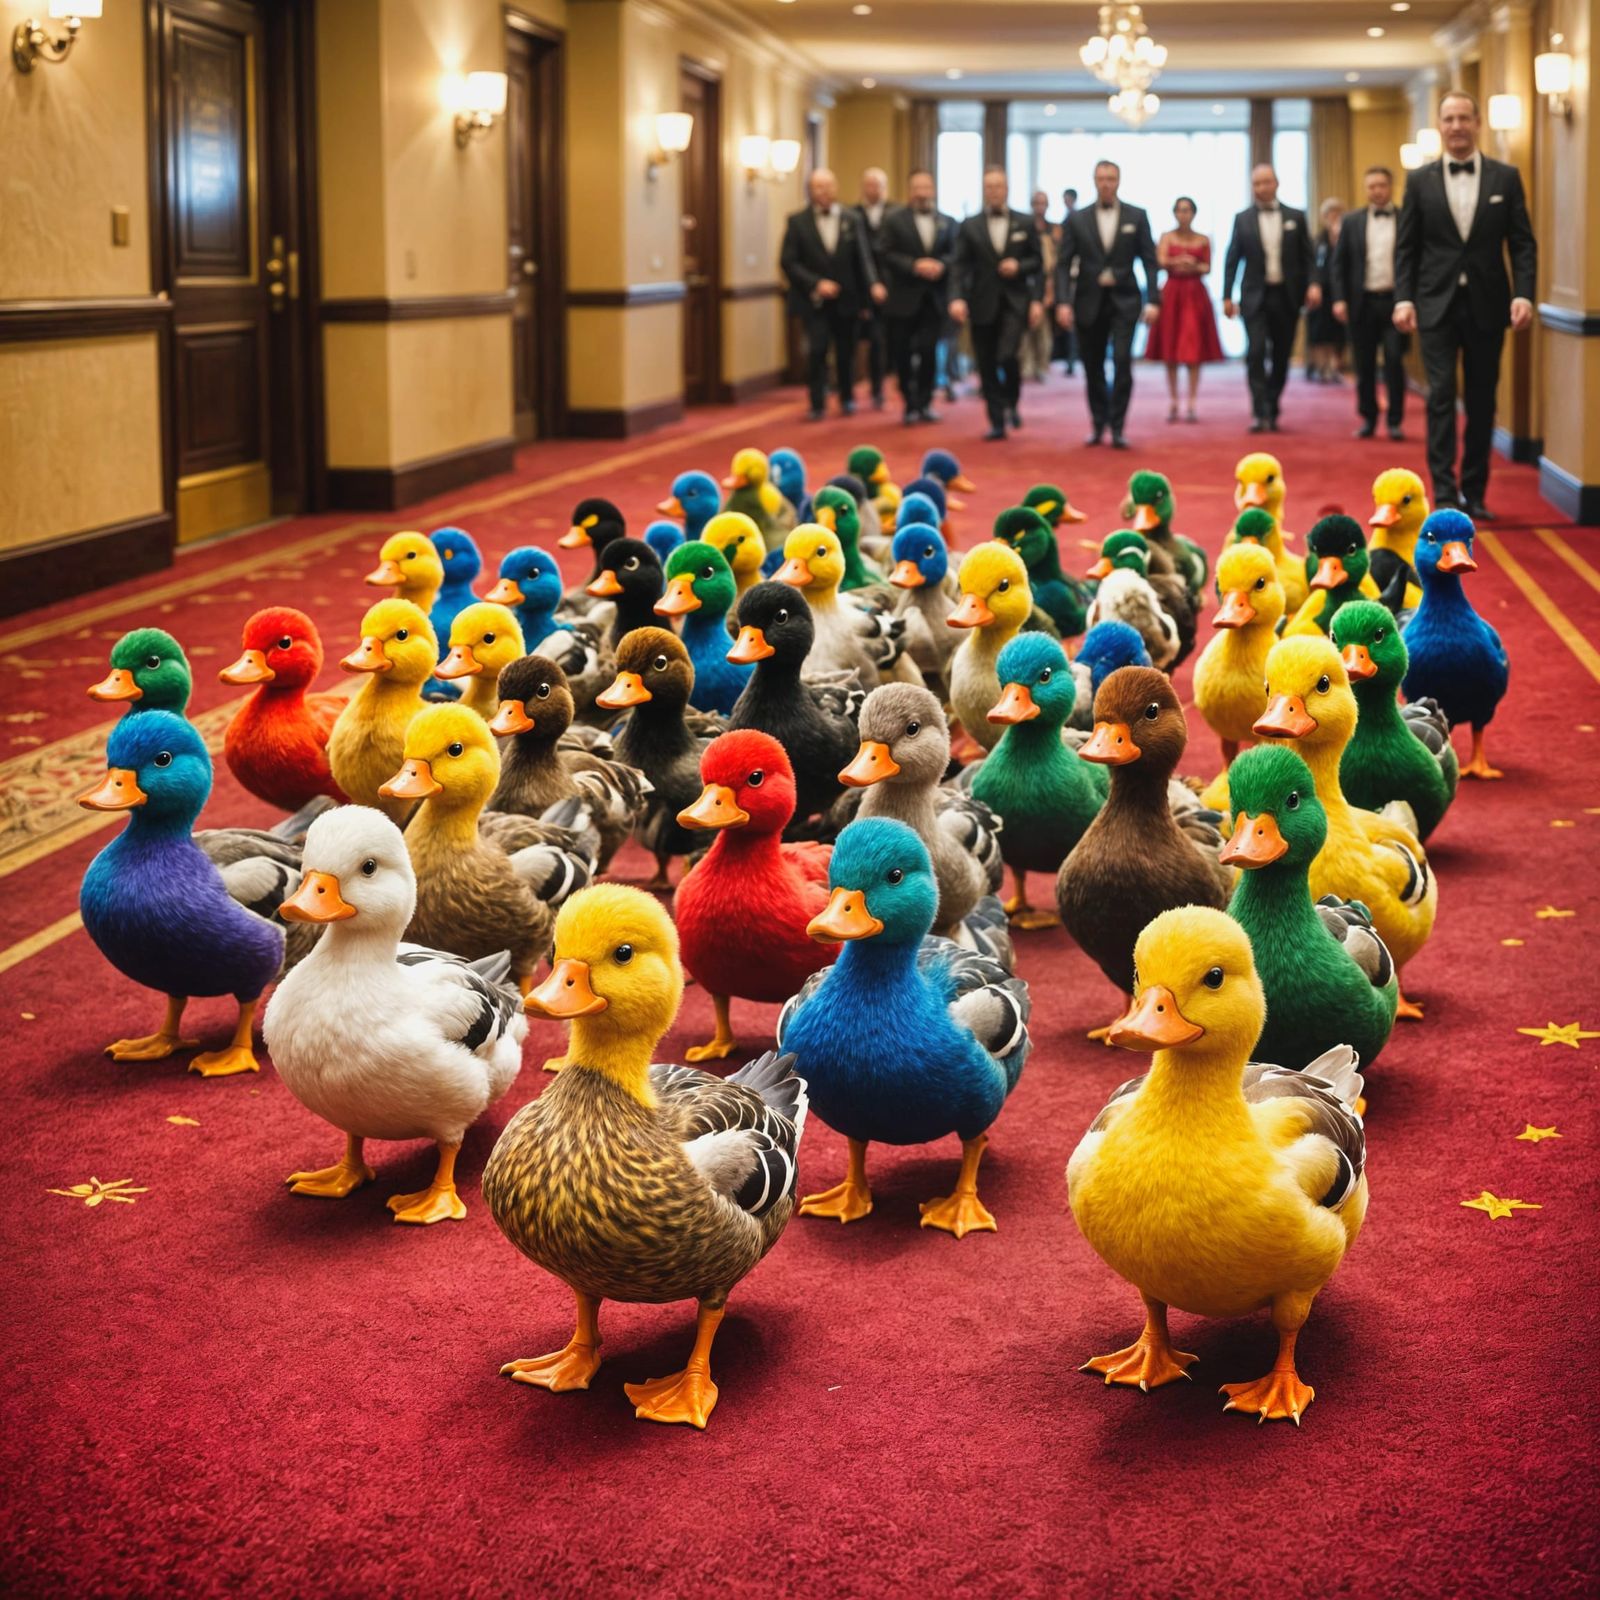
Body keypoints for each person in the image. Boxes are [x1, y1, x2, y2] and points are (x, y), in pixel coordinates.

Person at [1393, 89, 1536, 518]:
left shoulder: (1505, 178)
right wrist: (1403, 298)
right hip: (1434, 304)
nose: (1456, 126)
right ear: (1440, 126)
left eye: (1463, 118)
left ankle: (1475, 491)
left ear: (1477, 124)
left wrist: (1524, 293)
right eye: (1449, 119)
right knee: (1439, 395)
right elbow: (1407, 247)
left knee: (1481, 400)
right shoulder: (1419, 180)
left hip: (1488, 305)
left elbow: (1523, 243)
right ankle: (1446, 492)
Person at [1054, 159, 1159, 450]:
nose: (1106, 183)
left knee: (1123, 361)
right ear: (1094, 181)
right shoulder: (1077, 219)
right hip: (1088, 301)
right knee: (1093, 365)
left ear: (1119, 180)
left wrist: (1154, 300)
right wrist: (1063, 302)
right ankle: (1098, 422)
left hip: (1125, 301)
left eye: (1111, 178)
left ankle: (1118, 425)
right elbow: (1063, 264)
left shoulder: (1137, 216)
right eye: (1101, 178)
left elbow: (1150, 261)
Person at [781, 168, 886, 421]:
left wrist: (872, 286)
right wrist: (816, 284)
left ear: (836, 188)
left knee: (846, 351)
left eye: (828, 186)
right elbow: (788, 262)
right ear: (810, 190)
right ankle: (817, 403)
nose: (824, 192)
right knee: (816, 351)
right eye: (818, 187)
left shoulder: (852, 219)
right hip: (814, 302)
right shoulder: (797, 222)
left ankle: (847, 397)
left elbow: (863, 258)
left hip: (847, 299)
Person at [1223, 164, 1318, 434]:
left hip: (1287, 296)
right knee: (1254, 353)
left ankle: (1272, 405)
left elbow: (1308, 256)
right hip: (1254, 297)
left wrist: (1313, 284)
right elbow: (1232, 259)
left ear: (1276, 183)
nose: (1262, 188)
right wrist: (1227, 295)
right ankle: (1259, 410)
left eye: (1266, 182)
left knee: (1281, 355)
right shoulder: (1242, 219)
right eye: (1256, 184)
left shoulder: (1296, 216)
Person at [949, 167, 1043, 441]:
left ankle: (1011, 400)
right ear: (984, 190)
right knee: (987, 362)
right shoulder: (969, 225)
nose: (994, 191)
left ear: (1007, 189)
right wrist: (956, 298)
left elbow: (1038, 263)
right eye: (989, 187)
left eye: (998, 186)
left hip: (1015, 302)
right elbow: (959, 266)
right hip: (981, 303)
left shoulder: (1025, 223)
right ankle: (997, 420)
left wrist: (1021, 270)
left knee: (1007, 356)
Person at [1331, 165, 1408, 441]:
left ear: (1390, 187)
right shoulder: (1351, 221)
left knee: (1394, 361)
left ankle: (1395, 420)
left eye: (1382, 186)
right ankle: (1368, 418)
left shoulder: (1405, 218)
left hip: (1395, 302)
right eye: (1372, 186)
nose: (1377, 191)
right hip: (1361, 303)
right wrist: (1339, 299)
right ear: (1366, 189)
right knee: (1363, 366)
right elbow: (1338, 264)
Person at [879, 167, 958, 425]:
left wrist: (940, 265)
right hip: (903, 299)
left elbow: (956, 254)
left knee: (929, 351)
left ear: (933, 190)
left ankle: (924, 403)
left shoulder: (947, 221)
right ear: (910, 191)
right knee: (901, 352)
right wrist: (914, 265)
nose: (923, 193)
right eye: (918, 188)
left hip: (934, 299)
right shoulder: (893, 220)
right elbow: (885, 254)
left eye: (927, 188)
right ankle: (908, 402)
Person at [1143, 195, 1222, 424]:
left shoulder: (1203, 239)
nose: (1183, 214)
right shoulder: (1167, 237)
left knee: (1193, 348)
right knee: (1170, 347)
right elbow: (1159, 261)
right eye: (1179, 210)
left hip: (1195, 294)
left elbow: (1208, 267)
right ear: (1174, 213)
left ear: (1193, 213)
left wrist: (1194, 265)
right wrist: (1178, 263)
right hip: (1171, 294)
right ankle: (1174, 400)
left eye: (1187, 210)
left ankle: (1192, 401)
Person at [854, 166, 893, 411]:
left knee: (888, 341)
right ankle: (864, 387)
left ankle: (887, 385)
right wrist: (869, 286)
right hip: (861, 292)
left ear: (884, 188)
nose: (873, 189)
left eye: (877, 185)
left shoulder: (896, 213)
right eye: (868, 185)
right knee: (866, 340)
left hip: (893, 290)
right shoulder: (853, 215)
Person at [1020, 190, 1059, 383]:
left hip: (1046, 283)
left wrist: (1051, 289)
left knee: (1043, 329)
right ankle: (1025, 365)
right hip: (1024, 283)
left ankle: (1041, 365)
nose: (1039, 207)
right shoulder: (1024, 226)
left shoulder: (1054, 230)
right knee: (1024, 327)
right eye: (1036, 203)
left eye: (1043, 203)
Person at [1306, 198, 1347, 383]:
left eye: (1337, 214)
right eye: (1330, 214)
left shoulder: (1346, 236)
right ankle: (1321, 366)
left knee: (1339, 332)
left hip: (1341, 292)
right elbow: (1311, 264)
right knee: (1320, 330)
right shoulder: (1318, 239)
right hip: (1320, 291)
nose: (1333, 217)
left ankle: (1335, 366)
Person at [1056, 188, 1079, 373]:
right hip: (1069, 280)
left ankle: (1073, 359)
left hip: (1081, 281)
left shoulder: (1078, 220)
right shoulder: (1066, 220)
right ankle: (1071, 360)